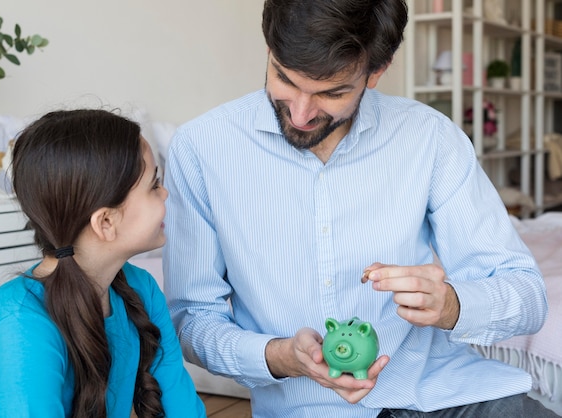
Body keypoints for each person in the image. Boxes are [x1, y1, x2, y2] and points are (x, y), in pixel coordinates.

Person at [162, 1, 556, 417]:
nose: (300, 114)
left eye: (332, 93)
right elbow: (192, 321)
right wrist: (279, 356)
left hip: (451, 394)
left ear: (377, 71)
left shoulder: (430, 138)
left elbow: (526, 295)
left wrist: (452, 304)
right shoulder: (202, 149)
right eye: (284, 78)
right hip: (309, 408)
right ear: (269, 51)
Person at [0, 109, 206, 418]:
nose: (165, 192)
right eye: (154, 185)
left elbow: (183, 409)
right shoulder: (20, 328)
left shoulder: (142, 290)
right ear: (105, 222)